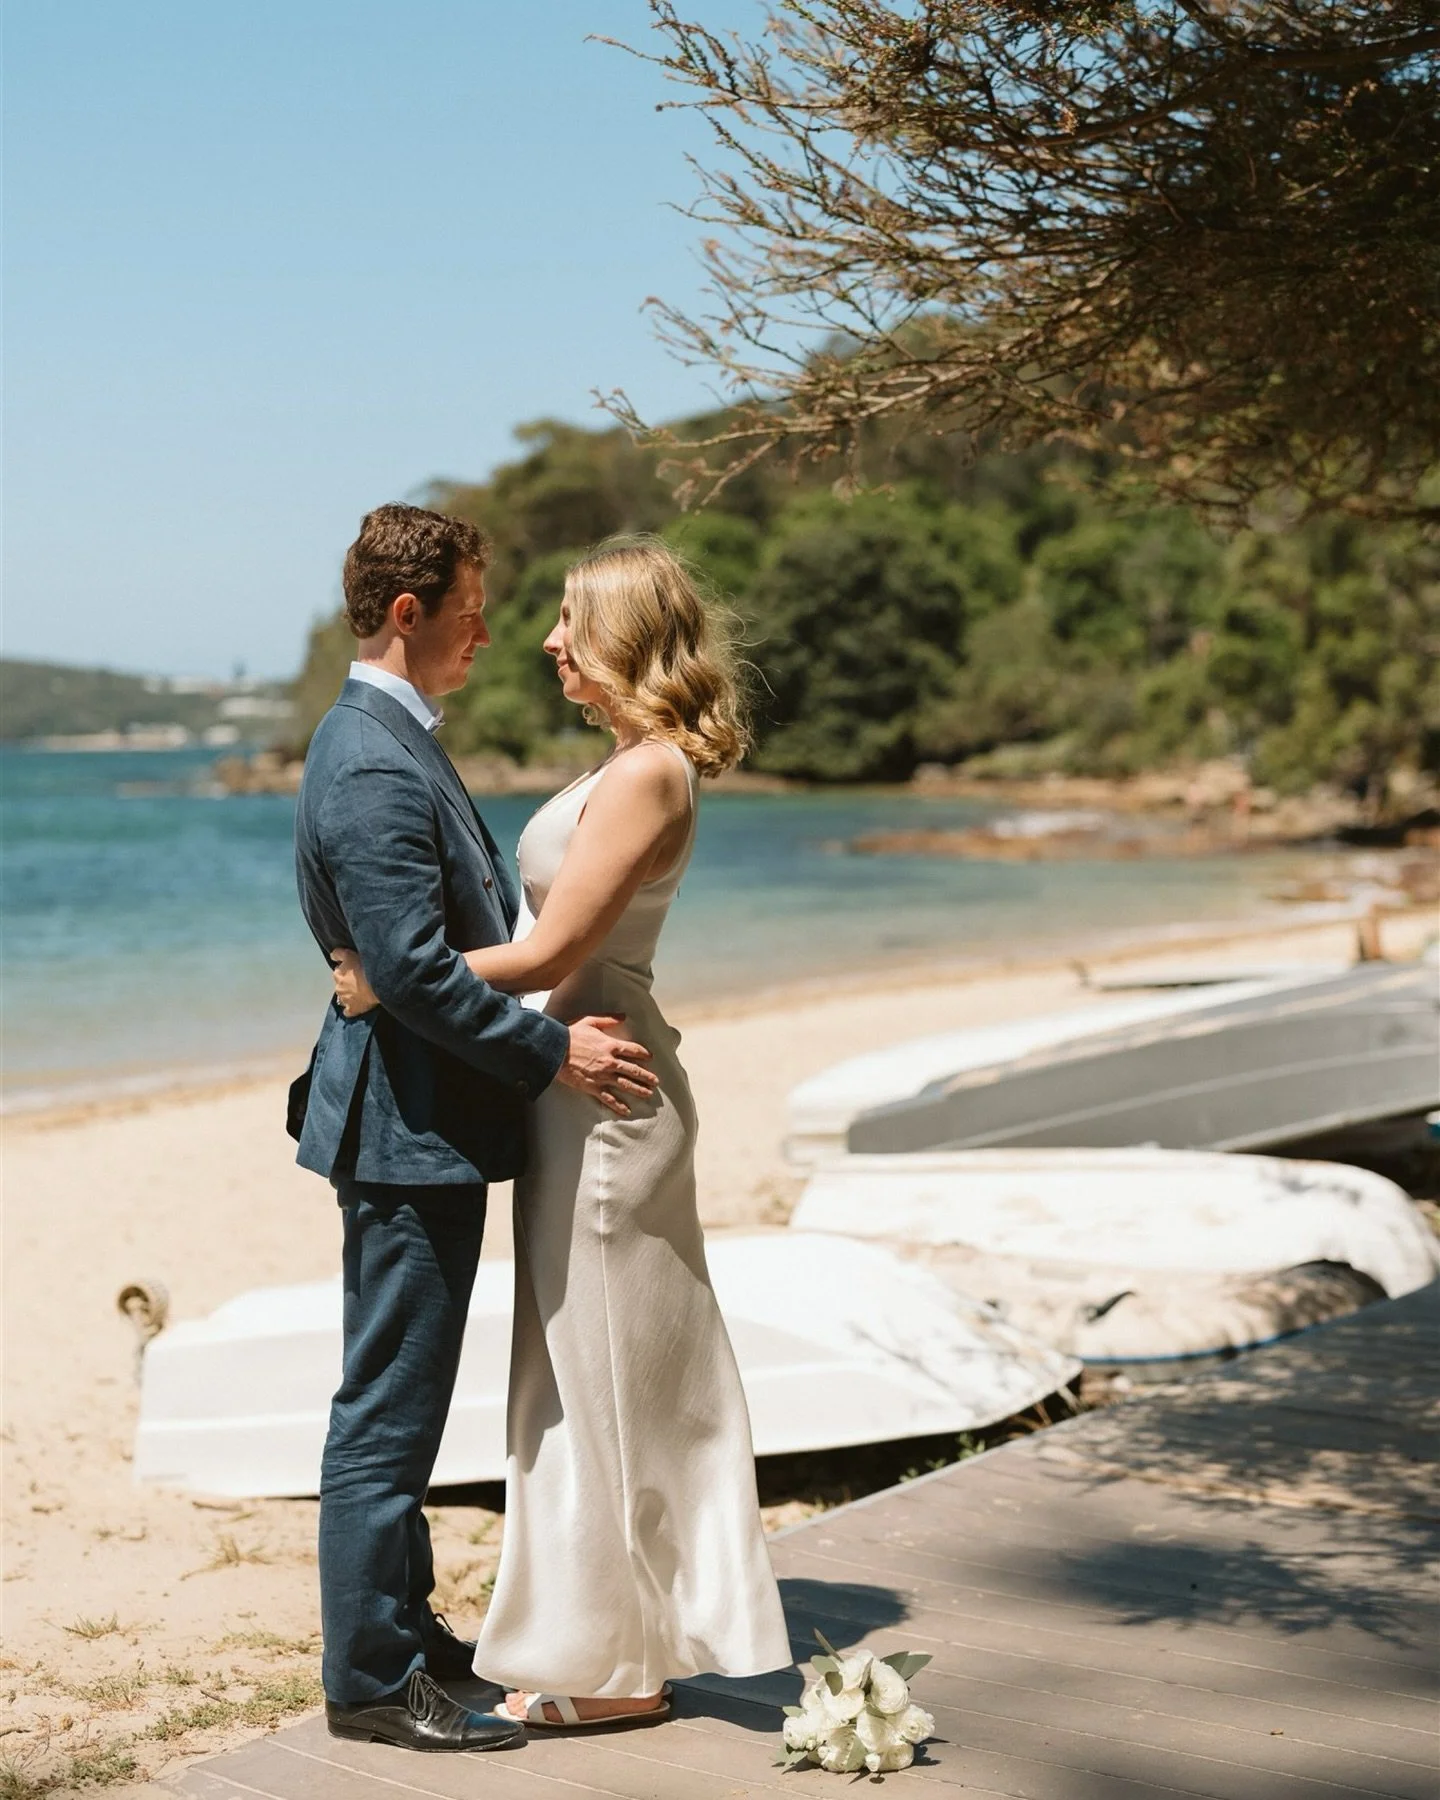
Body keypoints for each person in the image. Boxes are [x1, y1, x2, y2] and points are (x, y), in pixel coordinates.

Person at [330, 535, 792, 1733]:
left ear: (626, 640)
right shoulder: (634, 764)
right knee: (583, 1378)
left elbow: (544, 954)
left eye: (568, 622)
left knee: (600, 1383)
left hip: (602, 1100)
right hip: (572, 1092)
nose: (542, 641)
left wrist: (389, 980)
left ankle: (621, 1668)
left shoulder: (647, 776)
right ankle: (608, 1639)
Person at [291, 503, 661, 1754]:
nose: (490, 634)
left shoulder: (393, 740)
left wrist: (400, 979)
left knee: (405, 1398)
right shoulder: (373, 758)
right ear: (410, 614)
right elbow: (414, 971)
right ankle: (372, 1682)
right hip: (403, 1126)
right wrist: (554, 1051)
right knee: (387, 1412)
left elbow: (407, 964)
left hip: (421, 1120)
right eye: (471, 610)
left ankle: (404, 1629)